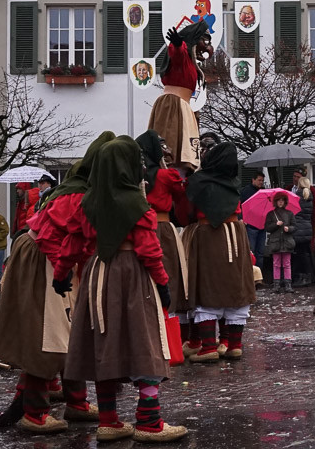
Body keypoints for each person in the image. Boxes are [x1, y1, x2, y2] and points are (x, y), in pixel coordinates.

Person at [64, 136, 187, 442]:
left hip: (97, 275)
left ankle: (108, 420)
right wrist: (162, 283)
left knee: (105, 343)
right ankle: (149, 421)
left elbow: (73, 242)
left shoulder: (87, 202)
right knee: (144, 341)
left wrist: (63, 273)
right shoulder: (137, 205)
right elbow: (149, 250)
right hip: (132, 275)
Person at [0, 132, 115, 434]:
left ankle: (76, 401)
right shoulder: (77, 196)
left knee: (72, 330)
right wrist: (65, 274)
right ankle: (34, 412)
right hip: (45, 261)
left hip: (56, 261)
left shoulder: (83, 191)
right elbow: (52, 238)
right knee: (50, 335)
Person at [182, 142, 256, 361]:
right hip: (235, 233)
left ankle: (207, 348)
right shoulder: (233, 181)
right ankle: (234, 345)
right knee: (235, 285)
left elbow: (187, 212)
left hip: (209, 233)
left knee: (208, 285)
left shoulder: (198, 181)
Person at [136, 131, 189, 318]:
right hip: (162, 228)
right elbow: (181, 195)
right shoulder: (166, 175)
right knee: (168, 273)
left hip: (138, 229)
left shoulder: (133, 176)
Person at [148, 24, 213, 172]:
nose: (208, 46)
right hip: (173, 105)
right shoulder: (184, 58)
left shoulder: (190, 63)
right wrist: (178, 45)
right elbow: (178, 55)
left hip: (183, 106)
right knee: (170, 142)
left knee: (186, 149)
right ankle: (169, 170)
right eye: (205, 41)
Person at [264, 191, 297, 293]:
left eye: (282, 200)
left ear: (285, 202)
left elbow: (295, 226)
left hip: (287, 242)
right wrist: (276, 225)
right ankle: (276, 285)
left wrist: (289, 229)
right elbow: (267, 228)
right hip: (275, 243)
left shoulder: (290, 214)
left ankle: (288, 285)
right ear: (275, 202)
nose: (280, 202)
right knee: (276, 264)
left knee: (287, 264)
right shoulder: (270, 214)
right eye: (279, 200)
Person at [290, 169, 315, 287]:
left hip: (298, 229)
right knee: (305, 253)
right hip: (306, 228)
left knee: (299, 254)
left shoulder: (299, 196)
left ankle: (303, 276)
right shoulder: (309, 196)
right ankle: (308, 276)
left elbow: (294, 212)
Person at [241, 172, 267, 273]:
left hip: (261, 225)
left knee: (260, 253)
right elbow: (240, 205)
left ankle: (259, 275)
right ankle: (251, 275)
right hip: (251, 225)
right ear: (253, 180)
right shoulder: (246, 191)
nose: (261, 183)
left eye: (262, 181)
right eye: (259, 180)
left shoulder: (263, 191)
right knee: (251, 252)